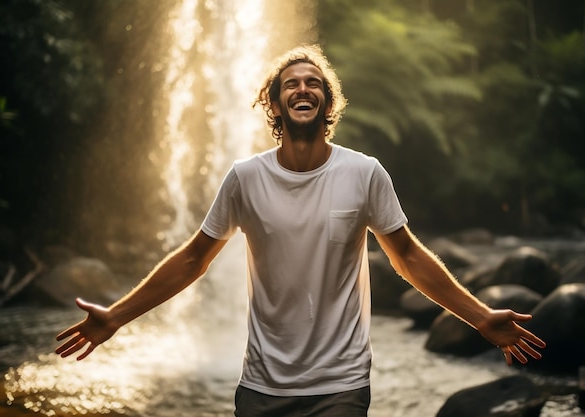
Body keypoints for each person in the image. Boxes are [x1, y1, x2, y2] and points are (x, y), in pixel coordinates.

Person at [56, 44, 546, 417]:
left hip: (341, 384)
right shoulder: (245, 178)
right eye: (290, 84)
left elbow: (408, 256)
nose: (303, 89)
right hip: (261, 386)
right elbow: (192, 259)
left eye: (313, 83)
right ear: (274, 104)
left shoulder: (364, 173)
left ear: (327, 103)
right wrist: (117, 316)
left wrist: (479, 317)